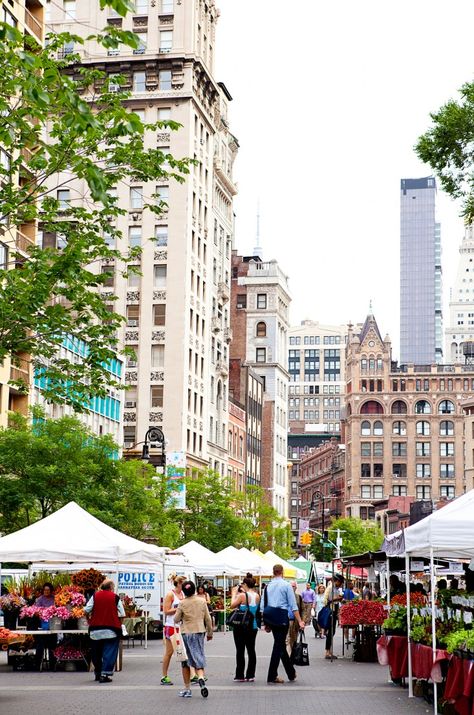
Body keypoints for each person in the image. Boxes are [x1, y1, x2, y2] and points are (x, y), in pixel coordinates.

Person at [261, 564, 305, 684]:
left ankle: (291, 673)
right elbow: (293, 605)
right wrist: (300, 620)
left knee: (280, 645)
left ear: (273, 572)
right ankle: (272, 675)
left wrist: (265, 622)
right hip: (282, 618)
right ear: (282, 572)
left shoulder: (268, 586)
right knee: (278, 646)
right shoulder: (286, 585)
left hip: (271, 618)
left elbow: (263, 605)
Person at [174, 580, 213, 699]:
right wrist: (210, 633)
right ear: (194, 589)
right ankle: (200, 677)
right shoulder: (202, 601)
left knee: (187, 659)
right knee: (198, 656)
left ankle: (188, 688)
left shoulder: (182, 603)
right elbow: (208, 618)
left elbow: (176, 619)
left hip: (187, 632)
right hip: (199, 631)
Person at [84, 578, 124, 683]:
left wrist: (89, 619)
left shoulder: (95, 596)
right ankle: (104, 674)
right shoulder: (115, 597)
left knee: (96, 652)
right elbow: (122, 613)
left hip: (95, 629)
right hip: (111, 629)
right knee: (109, 652)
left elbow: (86, 610)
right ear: (111, 588)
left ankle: (98, 672)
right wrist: (119, 623)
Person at [230, 574, 260, 682]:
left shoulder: (242, 596)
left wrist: (234, 594)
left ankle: (240, 675)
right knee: (251, 650)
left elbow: (232, 605)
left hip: (241, 626)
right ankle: (250, 674)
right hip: (253, 625)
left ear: (245, 584)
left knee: (240, 650)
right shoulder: (257, 596)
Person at [161, 574, 186, 685]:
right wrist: (178, 608)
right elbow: (166, 611)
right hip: (171, 625)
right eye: (184, 583)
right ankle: (164, 676)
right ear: (179, 583)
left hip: (182, 626)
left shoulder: (184, 593)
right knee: (169, 652)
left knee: (185, 651)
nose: (186, 585)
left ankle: (193, 675)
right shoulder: (170, 594)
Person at [34, 582, 57, 670]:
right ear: (42, 591)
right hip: (42, 626)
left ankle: (53, 665)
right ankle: (37, 664)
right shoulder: (39, 599)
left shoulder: (54, 599)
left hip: (53, 626)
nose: (46, 591)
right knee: (40, 646)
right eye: (45, 590)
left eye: (48, 590)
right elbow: (37, 611)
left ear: (51, 591)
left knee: (52, 646)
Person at [323, 574, 344, 659]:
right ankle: (327, 652)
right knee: (330, 632)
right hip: (330, 610)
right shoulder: (330, 588)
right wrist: (338, 599)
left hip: (334, 610)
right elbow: (327, 600)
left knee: (333, 632)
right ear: (337, 581)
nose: (341, 585)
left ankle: (329, 651)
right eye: (341, 583)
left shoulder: (336, 589)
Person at [286, 581, 303, 655]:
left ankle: (292, 655)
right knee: (287, 639)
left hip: (295, 621)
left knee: (294, 639)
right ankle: (288, 657)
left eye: (293, 586)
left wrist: (302, 621)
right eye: (291, 586)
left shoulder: (298, 597)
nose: (292, 588)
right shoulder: (284, 596)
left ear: (296, 588)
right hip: (286, 620)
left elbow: (302, 609)